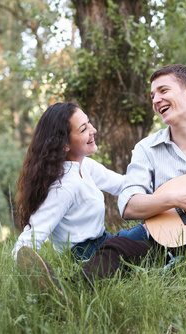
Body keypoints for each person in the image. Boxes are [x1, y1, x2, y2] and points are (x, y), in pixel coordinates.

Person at [20, 65, 186, 301]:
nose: (155, 99)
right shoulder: (146, 149)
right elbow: (128, 205)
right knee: (116, 247)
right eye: (152, 95)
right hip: (167, 245)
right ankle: (65, 292)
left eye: (163, 90)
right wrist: (177, 199)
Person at [12, 102, 148, 269]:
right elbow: (32, 236)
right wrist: (21, 268)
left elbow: (123, 185)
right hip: (86, 257)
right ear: (64, 144)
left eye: (89, 122)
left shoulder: (85, 166)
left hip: (105, 242)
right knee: (151, 241)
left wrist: (164, 189)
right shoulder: (63, 186)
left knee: (149, 232)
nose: (93, 130)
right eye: (83, 129)